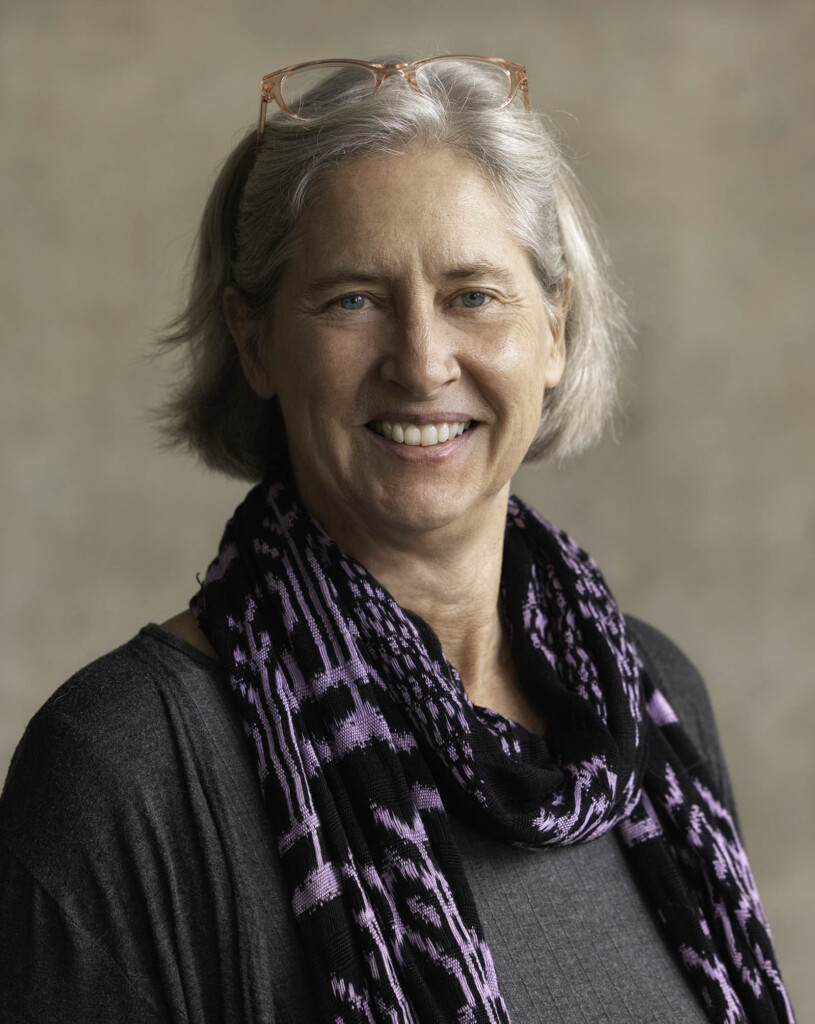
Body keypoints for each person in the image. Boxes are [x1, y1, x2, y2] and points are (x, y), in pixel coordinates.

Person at [0, 55, 796, 1024]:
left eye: (472, 294)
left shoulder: (646, 697)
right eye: (352, 299)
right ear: (253, 341)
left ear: (552, 328)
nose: (421, 363)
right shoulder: (126, 764)